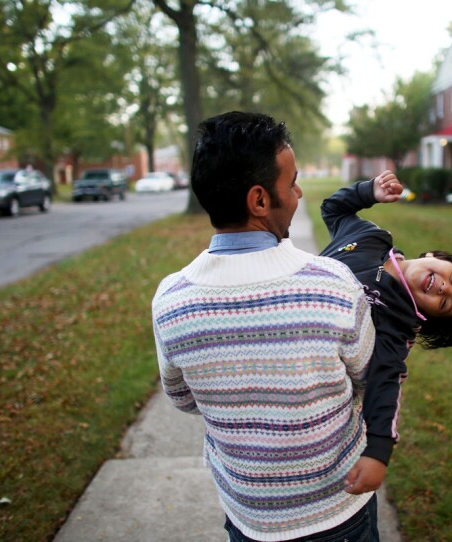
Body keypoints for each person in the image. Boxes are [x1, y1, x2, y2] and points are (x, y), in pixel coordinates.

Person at [151, 111, 382, 542]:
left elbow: (183, 398)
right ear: (259, 200)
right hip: (337, 511)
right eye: (291, 182)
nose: (297, 194)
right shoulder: (331, 284)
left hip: (248, 515)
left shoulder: (171, 300)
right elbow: (368, 376)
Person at [320, 170, 452, 473]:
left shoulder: (395, 325)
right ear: (436, 255)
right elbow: (332, 209)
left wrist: (378, 451)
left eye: (445, 303)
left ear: (431, 316)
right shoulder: (370, 238)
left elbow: (385, 382)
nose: (444, 288)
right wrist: (369, 192)